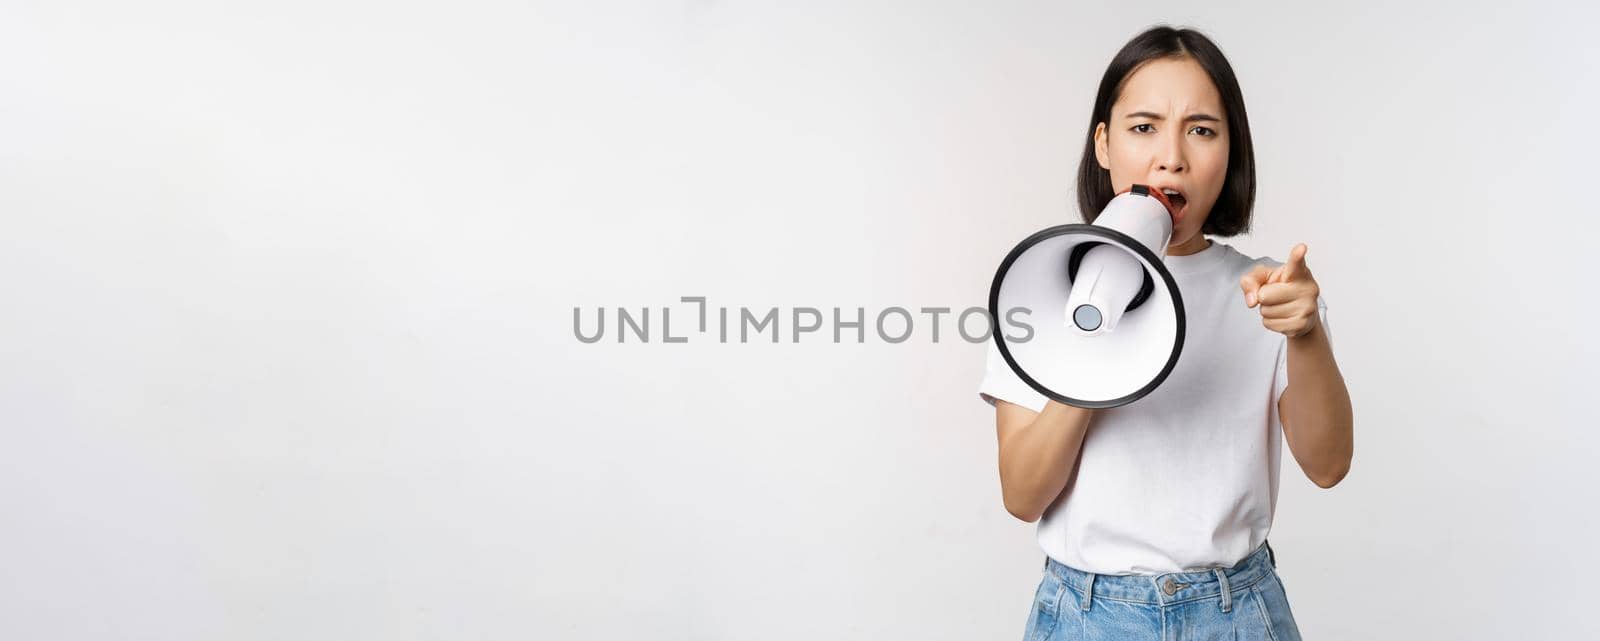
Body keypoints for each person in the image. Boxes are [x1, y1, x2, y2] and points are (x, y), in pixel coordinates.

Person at [979, 26, 1354, 640]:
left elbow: (1329, 464)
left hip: (1235, 613)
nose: (1171, 155)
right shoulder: (1041, 288)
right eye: (1143, 127)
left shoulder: (1267, 292)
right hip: (1086, 614)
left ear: (1230, 151)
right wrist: (1096, 342)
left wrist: (1305, 335)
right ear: (1103, 144)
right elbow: (1023, 494)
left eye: (1202, 130)